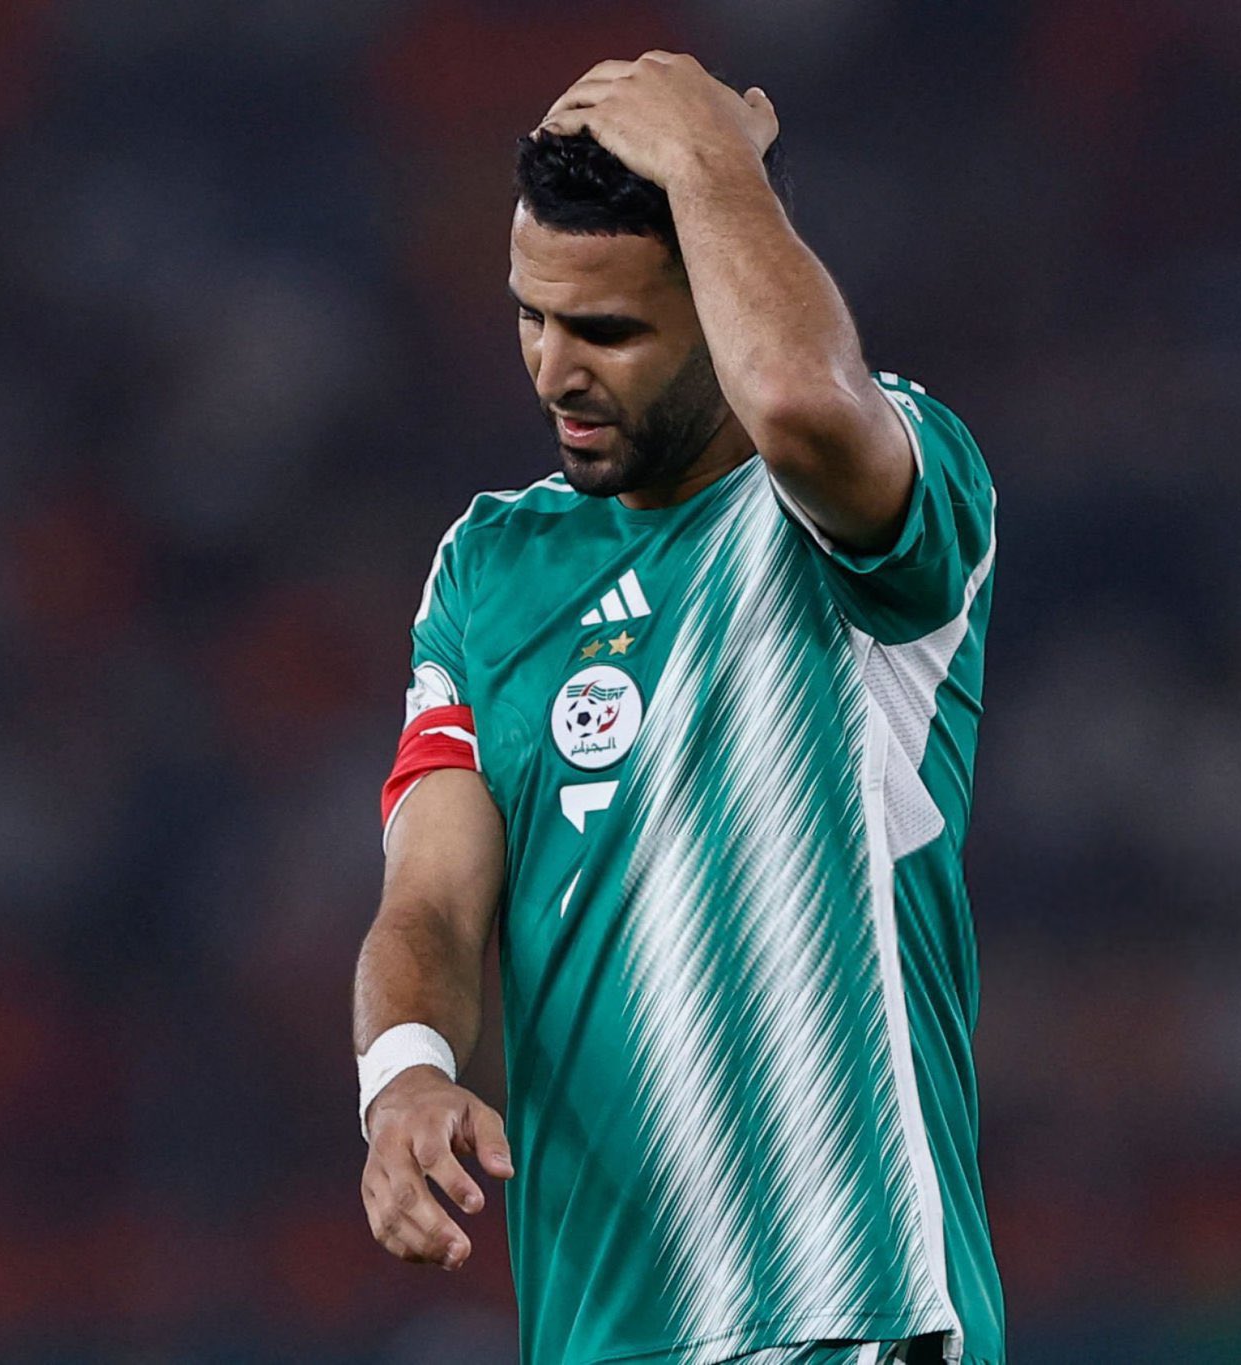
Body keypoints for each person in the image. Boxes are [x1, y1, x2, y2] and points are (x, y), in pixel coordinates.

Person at [351, 54, 1005, 1365]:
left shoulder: (879, 488)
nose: (553, 370)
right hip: (604, 1333)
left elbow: (800, 401)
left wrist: (715, 162)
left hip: (847, 1311)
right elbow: (431, 898)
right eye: (532, 317)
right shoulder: (489, 566)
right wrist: (405, 1073)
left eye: (606, 332)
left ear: (721, 301)